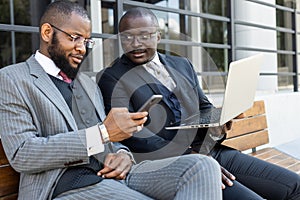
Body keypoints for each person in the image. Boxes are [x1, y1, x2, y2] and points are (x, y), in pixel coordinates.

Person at [0, 1, 223, 200]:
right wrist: (102, 134)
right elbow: (22, 154)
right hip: (66, 185)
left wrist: (123, 154)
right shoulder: (12, 79)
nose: (81, 48)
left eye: (87, 41)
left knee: (202, 167)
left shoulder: (87, 82)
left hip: (116, 174)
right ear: (47, 32)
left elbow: (111, 138)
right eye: (75, 37)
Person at [97, 7, 300, 200]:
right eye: (127, 37)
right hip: (175, 165)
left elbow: (204, 107)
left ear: (157, 36)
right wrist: (195, 161)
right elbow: (135, 137)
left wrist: (219, 122)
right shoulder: (112, 78)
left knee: (296, 187)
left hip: (212, 150)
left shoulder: (182, 64)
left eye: (144, 35)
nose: (136, 43)